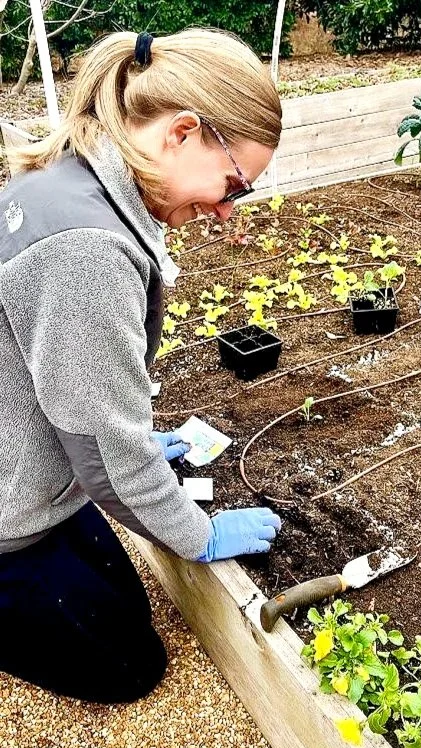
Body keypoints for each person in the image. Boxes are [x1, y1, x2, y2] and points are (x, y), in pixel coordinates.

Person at [0, 27, 283, 704]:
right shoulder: (85, 249)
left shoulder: (65, 180)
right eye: (233, 184)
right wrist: (198, 531)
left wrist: (105, 446)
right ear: (182, 132)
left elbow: (54, 375)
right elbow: (105, 452)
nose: (223, 209)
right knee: (132, 672)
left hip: (27, 469)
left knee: (125, 612)